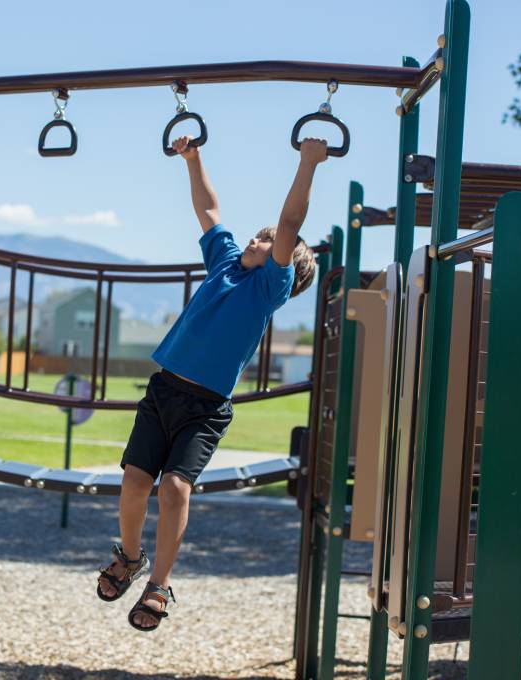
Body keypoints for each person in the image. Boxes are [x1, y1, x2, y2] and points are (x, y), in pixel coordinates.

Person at [95, 135, 324, 631]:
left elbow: (289, 224)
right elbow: (209, 209)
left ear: (284, 263)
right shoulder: (225, 263)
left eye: (266, 241)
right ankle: (130, 558)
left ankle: (158, 584)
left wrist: (307, 163)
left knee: (174, 488)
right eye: (258, 235)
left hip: (204, 408)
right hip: (163, 391)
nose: (257, 239)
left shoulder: (269, 287)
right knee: (135, 482)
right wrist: (193, 160)